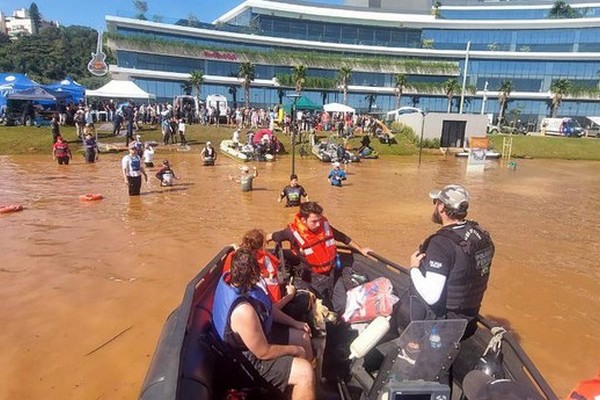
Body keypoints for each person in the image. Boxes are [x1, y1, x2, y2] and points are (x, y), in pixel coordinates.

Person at [212, 248, 316, 399]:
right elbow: (263, 352)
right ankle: (304, 382)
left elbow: (268, 310)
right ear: (253, 275)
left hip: (258, 337)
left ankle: (309, 389)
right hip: (248, 362)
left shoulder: (237, 283)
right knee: (305, 372)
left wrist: (295, 323)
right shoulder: (243, 311)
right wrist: (295, 350)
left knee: (303, 338)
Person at [397, 184, 495, 339]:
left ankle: (413, 346)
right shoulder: (480, 234)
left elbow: (431, 296)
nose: (434, 206)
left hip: (442, 325)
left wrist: (414, 268)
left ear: (441, 207)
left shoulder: (441, 244)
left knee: (397, 306)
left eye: (435, 202)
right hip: (468, 320)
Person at [267, 201, 372, 315]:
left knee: (341, 306)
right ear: (303, 220)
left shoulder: (324, 227)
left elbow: (343, 237)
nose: (318, 224)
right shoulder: (291, 233)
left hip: (332, 273)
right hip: (311, 277)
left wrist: (361, 249)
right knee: (319, 308)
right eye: (314, 221)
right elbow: (272, 236)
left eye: (319, 220)